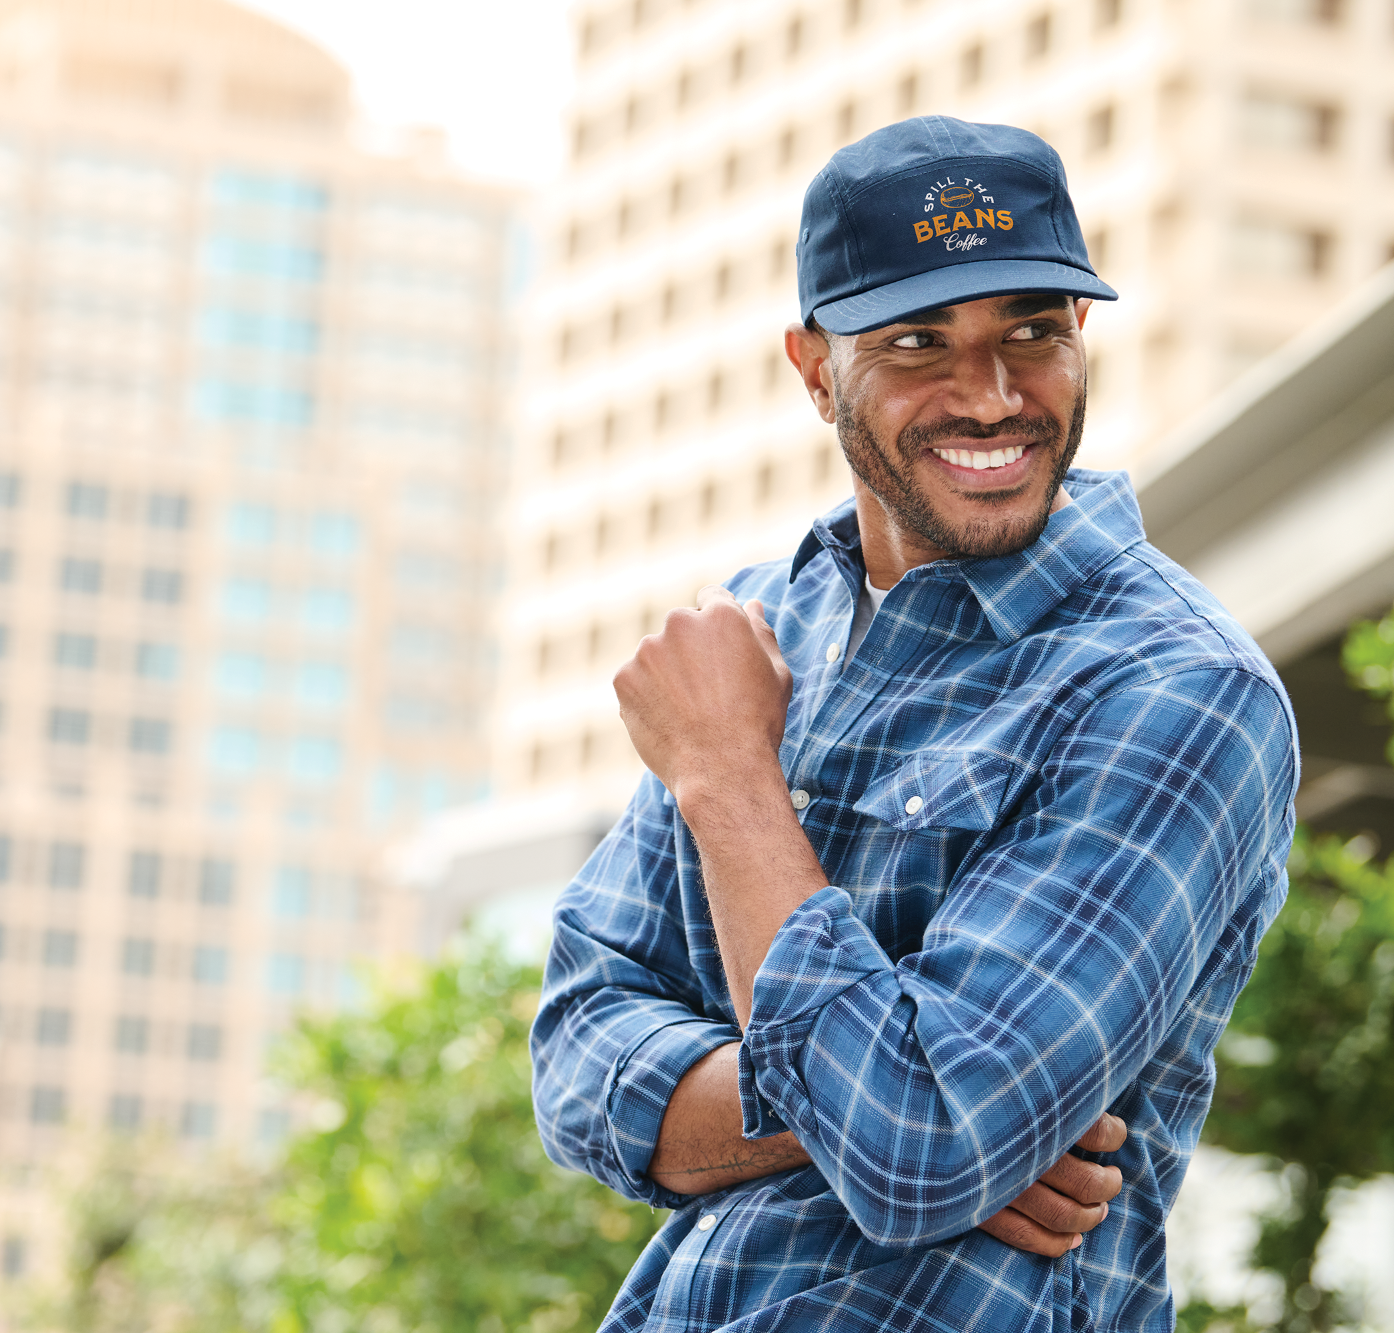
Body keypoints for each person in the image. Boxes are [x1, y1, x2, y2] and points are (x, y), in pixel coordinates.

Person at [530, 116, 1299, 1331]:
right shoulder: (761, 631)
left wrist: (727, 779)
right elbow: (575, 1059)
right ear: (812, 367)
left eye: (1030, 334)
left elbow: (917, 1141)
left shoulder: (1171, 690)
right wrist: (859, 1116)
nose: (989, 396)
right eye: (915, 343)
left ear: (1080, 335)